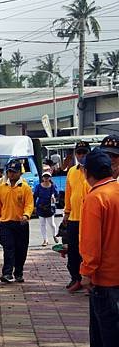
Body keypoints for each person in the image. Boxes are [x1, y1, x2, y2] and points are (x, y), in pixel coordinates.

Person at [79, 149, 119, 347]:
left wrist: (87, 272)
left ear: (87, 172)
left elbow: (91, 242)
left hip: (105, 278)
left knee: (105, 334)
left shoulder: (95, 198)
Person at [0, 160, 34, 283]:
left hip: (21, 223)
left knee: (21, 249)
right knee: (8, 248)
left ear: (20, 173)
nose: (11, 174)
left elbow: (29, 204)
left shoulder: (25, 188)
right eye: (9, 171)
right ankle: (7, 273)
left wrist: (26, 215)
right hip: (6, 223)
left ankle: (18, 272)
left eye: (14, 172)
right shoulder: (1, 188)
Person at [63, 141, 91, 293]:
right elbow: (68, 193)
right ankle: (76, 278)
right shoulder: (72, 171)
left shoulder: (94, 171)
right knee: (73, 250)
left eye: (84, 152)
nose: (81, 156)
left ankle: (89, 280)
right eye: (79, 153)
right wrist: (66, 212)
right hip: (74, 217)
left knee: (87, 251)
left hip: (89, 218)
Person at [33, 171, 59, 247]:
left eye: (47, 177)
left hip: (50, 207)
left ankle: (54, 235)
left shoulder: (53, 186)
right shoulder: (38, 186)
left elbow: (57, 195)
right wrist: (34, 206)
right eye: (45, 177)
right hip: (40, 206)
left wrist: (54, 198)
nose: (46, 178)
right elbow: (35, 196)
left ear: (50, 178)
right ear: (42, 178)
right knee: (42, 224)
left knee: (52, 224)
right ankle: (45, 240)